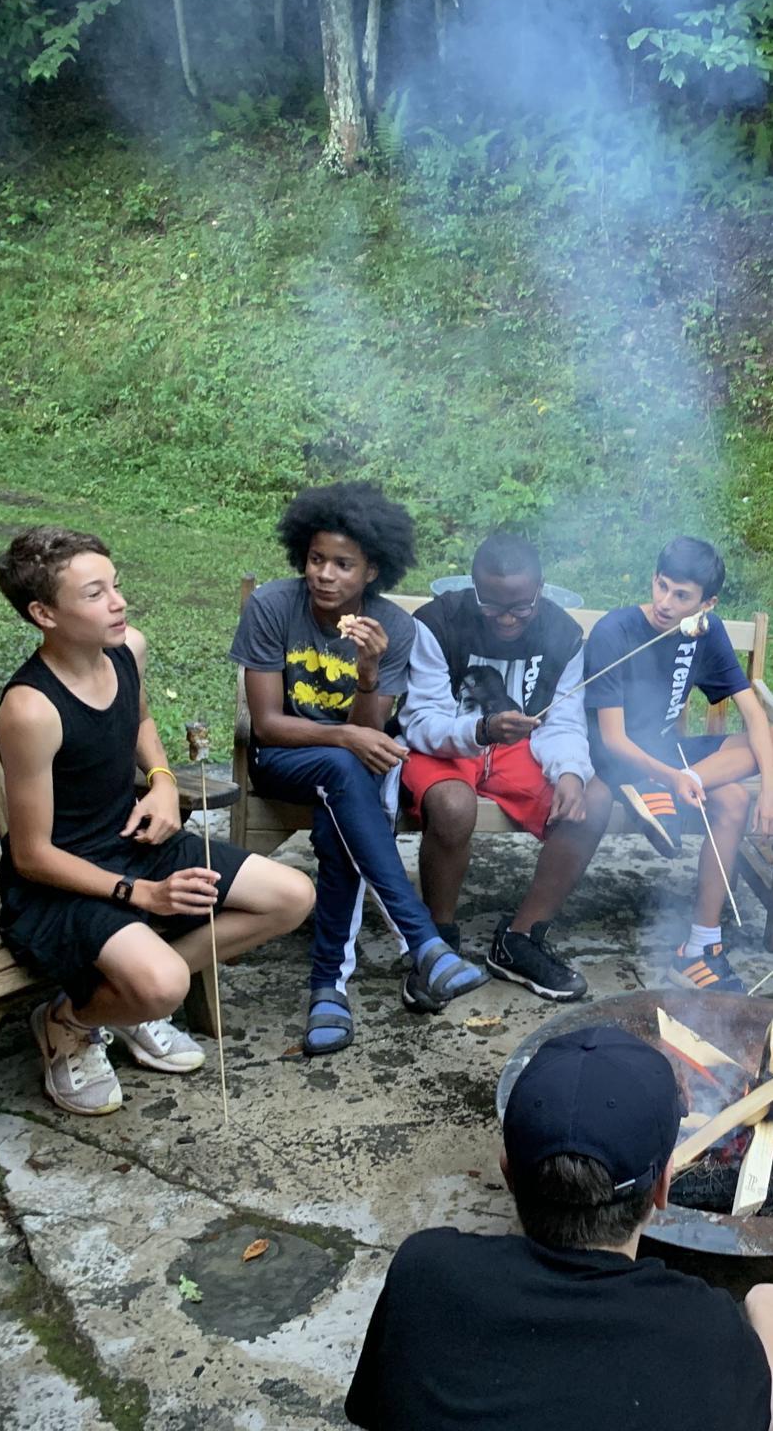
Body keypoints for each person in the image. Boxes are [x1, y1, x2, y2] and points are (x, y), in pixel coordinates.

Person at [0, 526, 314, 1116]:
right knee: (166, 982)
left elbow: (139, 721)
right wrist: (140, 893)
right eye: (94, 594)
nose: (117, 602)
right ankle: (69, 1022)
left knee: (291, 897)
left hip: (134, 840)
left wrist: (163, 782)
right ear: (43, 613)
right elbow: (31, 855)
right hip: (62, 880)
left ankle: (127, 1001)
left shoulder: (126, 648)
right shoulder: (31, 709)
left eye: (115, 586)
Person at [346, 1024, 773, 1431]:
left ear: (508, 1171)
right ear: (663, 1187)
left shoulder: (423, 1274)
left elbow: (374, 1411)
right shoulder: (708, 1337)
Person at [229, 482, 487, 1058]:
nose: (326, 575)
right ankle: (422, 940)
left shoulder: (391, 627)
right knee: (345, 769)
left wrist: (368, 670)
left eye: (343, 565)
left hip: (349, 769)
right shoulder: (274, 606)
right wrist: (342, 734)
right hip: (285, 761)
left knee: (337, 825)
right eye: (317, 560)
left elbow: (373, 727)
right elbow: (268, 724)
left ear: (372, 570)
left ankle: (329, 990)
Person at [398, 532, 612, 1002]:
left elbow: (563, 721)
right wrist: (481, 730)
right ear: (474, 590)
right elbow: (419, 720)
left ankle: (520, 940)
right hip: (450, 741)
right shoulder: (438, 623)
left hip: (521, 747)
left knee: (593, 800)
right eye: (493, 607)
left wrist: (570, 773)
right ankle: (436, 945)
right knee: (453, 806)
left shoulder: (562, 634)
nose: (508, 620)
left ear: (540, 591)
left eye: (521, 607)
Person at [584, 536, 773, 994]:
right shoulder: (616, 631)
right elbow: (611, 739)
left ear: (708, 603)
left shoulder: (706, 632)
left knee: (743, 780)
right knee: (727, 797)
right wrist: (668, 774)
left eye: (681, 596)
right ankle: (663, 785)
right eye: (661, 586)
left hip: (670, 765)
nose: (665, 603)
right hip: (619, 762)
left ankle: (697, 950)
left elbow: (753, 712)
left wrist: (769, 788)